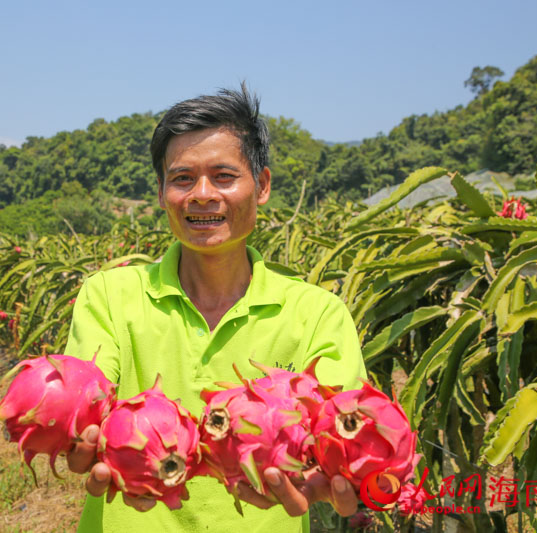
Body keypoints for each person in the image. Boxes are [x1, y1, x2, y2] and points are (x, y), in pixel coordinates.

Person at [64, 85, 367, 532]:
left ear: (261, 186)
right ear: (162, 190)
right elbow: (85, 400)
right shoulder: (108, 296)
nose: (202, 194)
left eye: (224, 176)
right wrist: (72, 430)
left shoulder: (317, 313)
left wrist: (344, 476)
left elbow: (346, 436)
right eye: (182, 178)